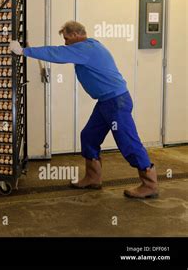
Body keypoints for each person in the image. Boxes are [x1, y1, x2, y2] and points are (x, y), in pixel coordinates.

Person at [9, 21, 158, 199]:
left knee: (128, 142)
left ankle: (150, 184)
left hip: (116, 102)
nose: (65, 42)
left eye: (66, 38)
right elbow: (61, 51)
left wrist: (24, 51)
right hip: (106, 102)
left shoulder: (87, 48)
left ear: (75, 35)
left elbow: (57, 53)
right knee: (88, 136)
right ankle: (93, 178)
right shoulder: (89, 46)